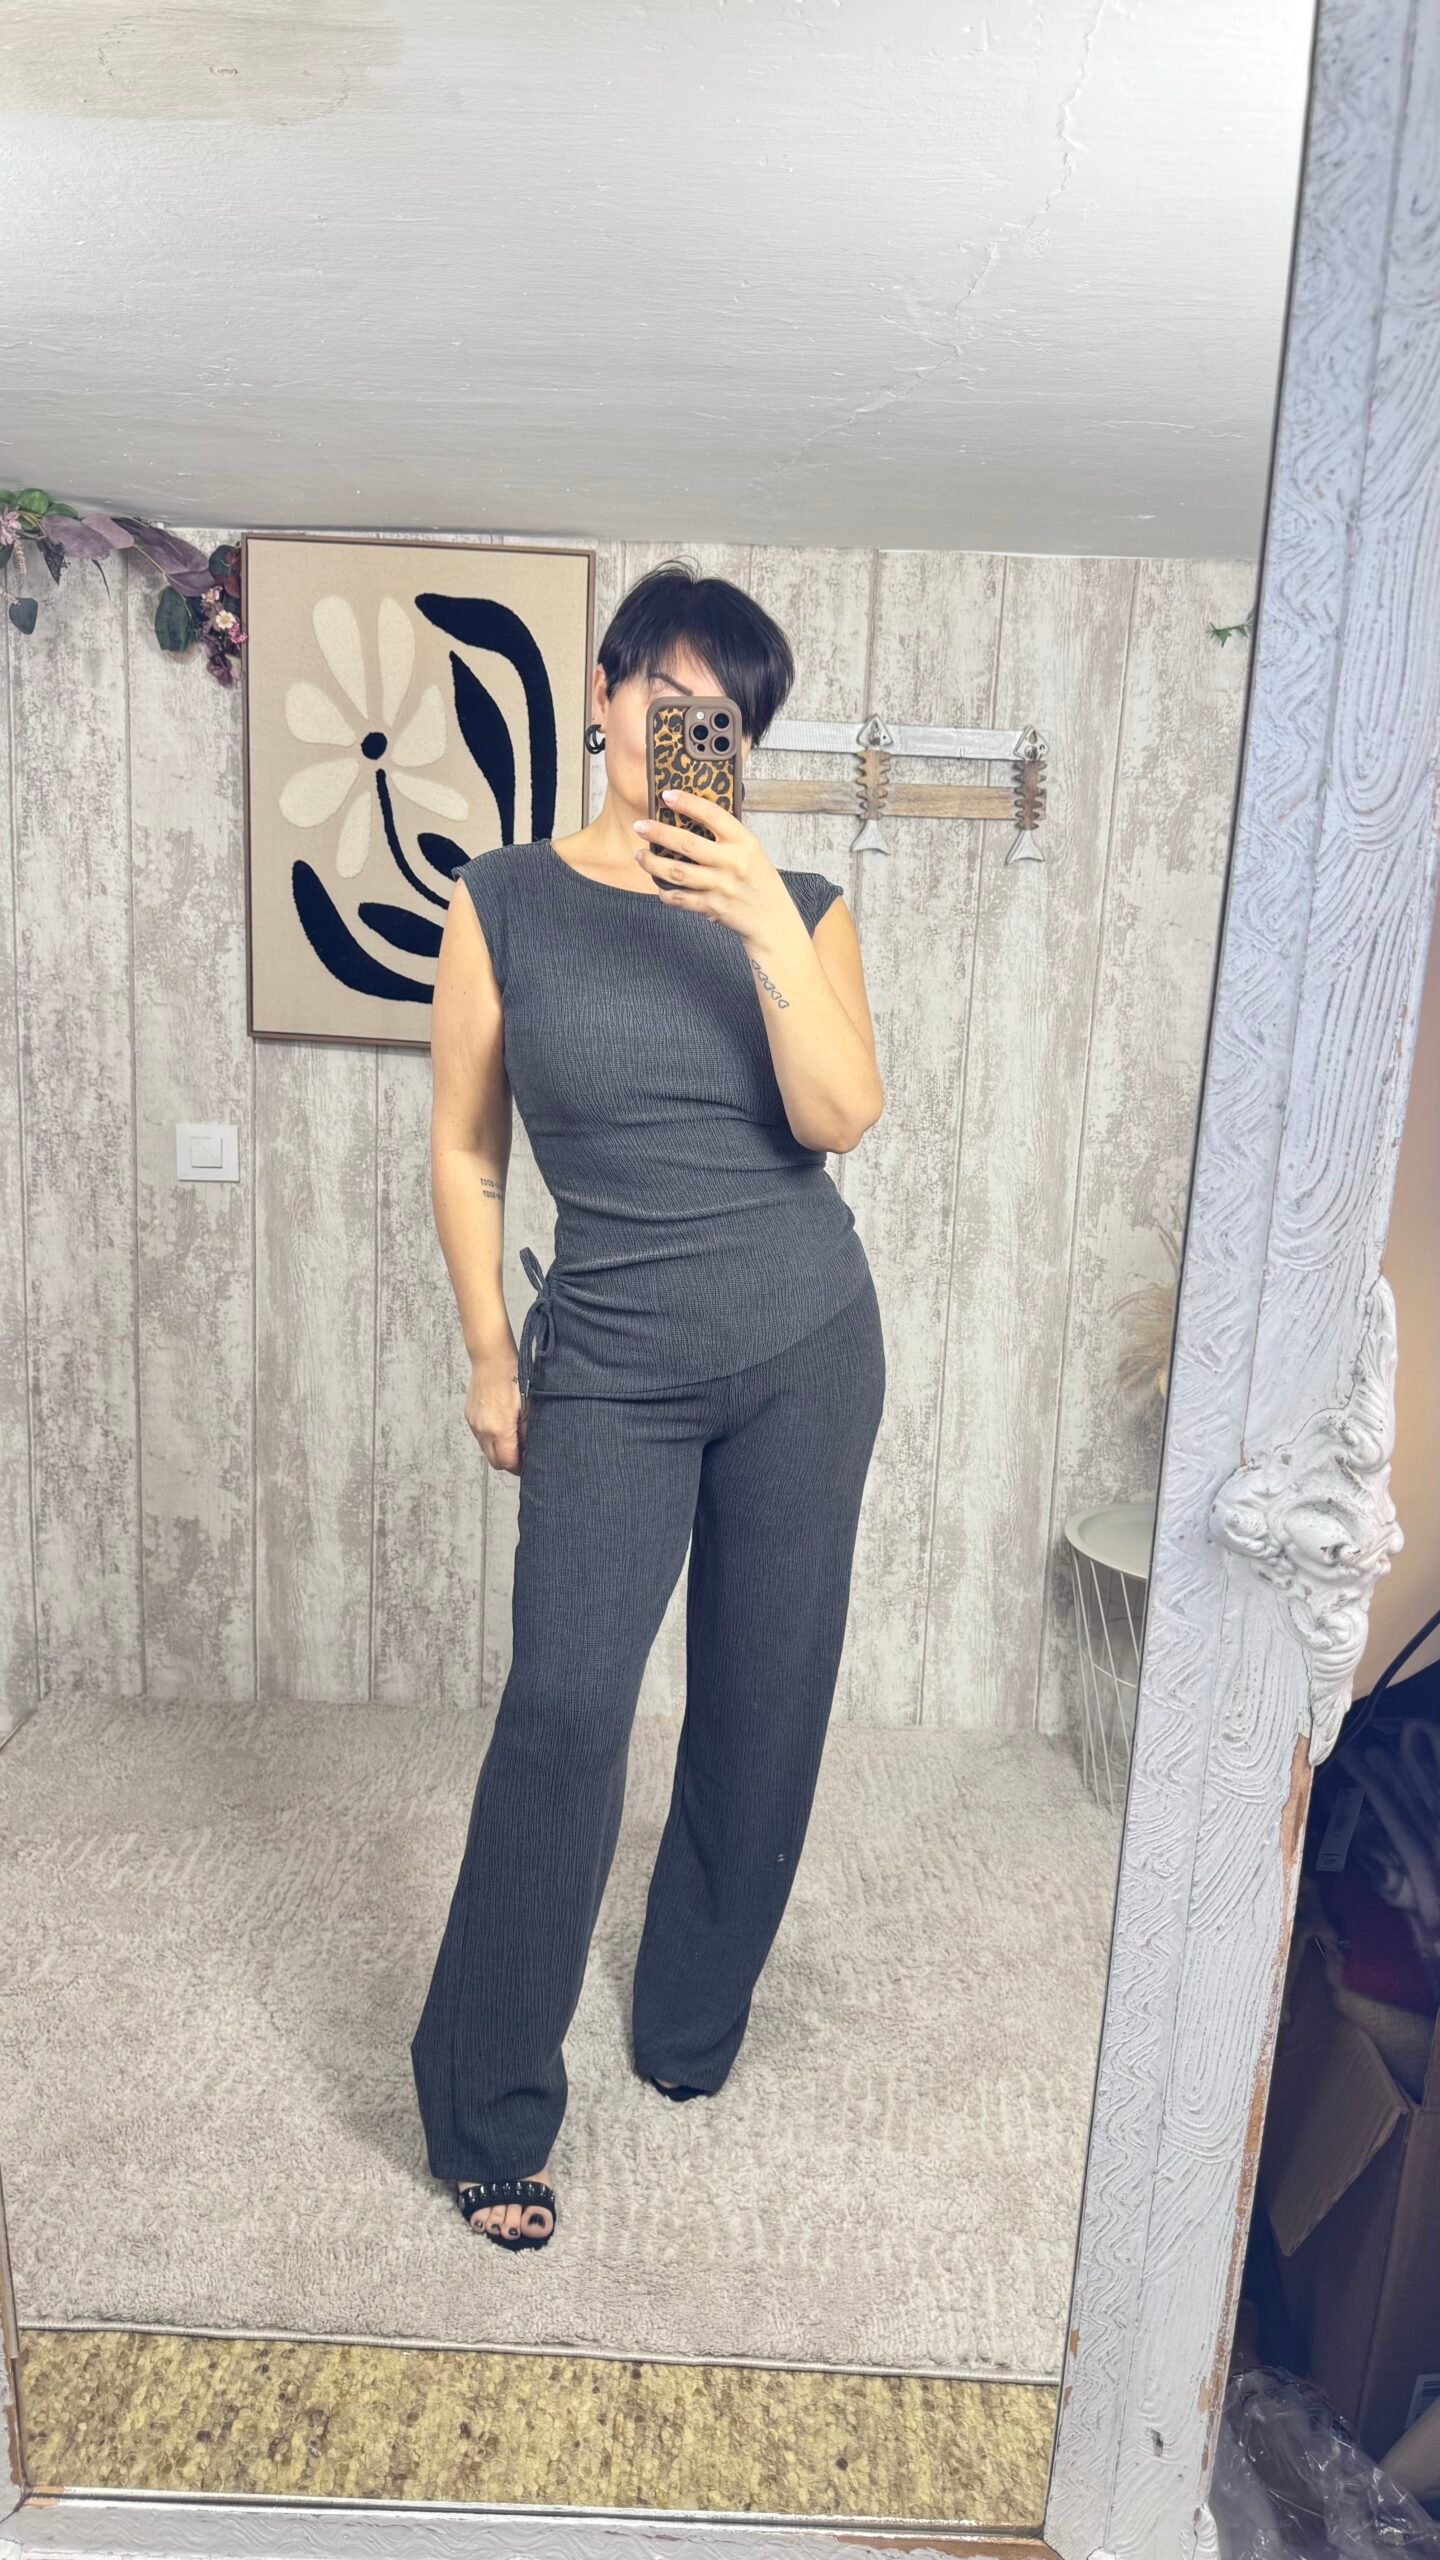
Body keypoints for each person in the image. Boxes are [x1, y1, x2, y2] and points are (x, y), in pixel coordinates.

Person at [410, 559, 887, 2250]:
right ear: (604, 695)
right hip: (608, 1364)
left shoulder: (799, 899)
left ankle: (689, 2021)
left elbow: (841, 1117)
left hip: (805, 1350)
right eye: (669, 700)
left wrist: (759, 921)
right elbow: (466, 1145)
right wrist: (492, 1353)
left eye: (727, 720)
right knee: (563, 1713)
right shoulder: (504, 903)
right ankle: (486, 2105)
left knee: (764, 1709)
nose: (692, 734)